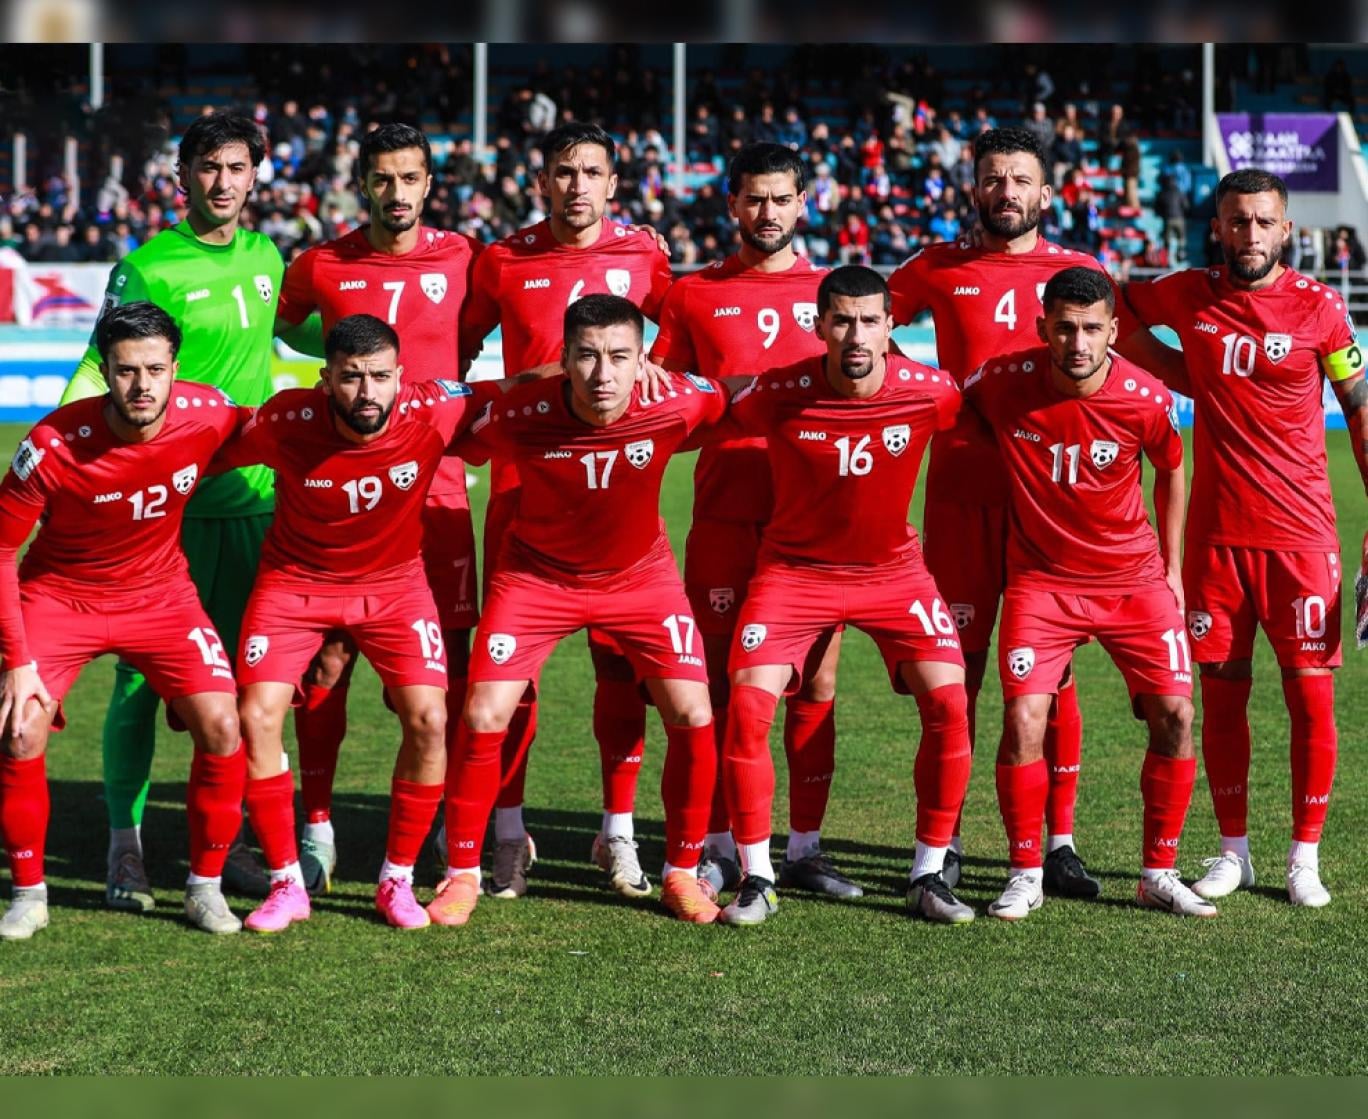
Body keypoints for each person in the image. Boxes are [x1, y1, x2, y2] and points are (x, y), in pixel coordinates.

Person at [440, 294, 727, 928]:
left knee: (692, 708)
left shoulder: (674, 400)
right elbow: (458, 429)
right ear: (563, 359)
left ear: (642, 360)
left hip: (639, 579)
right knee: (485, 710)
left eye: (620, 357)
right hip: (535, 578)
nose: (603, 375)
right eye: (588, 357)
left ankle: (681, 871)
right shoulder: (520, 413)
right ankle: (461, 872)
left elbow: (729, 393)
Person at [1123, 168, 1368, 908]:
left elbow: (1358, 412)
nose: (1251, 235)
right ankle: (1234, 851)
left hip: (1302, 538)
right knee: (1221, 700)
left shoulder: (1321, 310)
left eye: (1264, 222)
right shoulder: (1189, 291)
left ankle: (1305, 856)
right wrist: (1182, 371)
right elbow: (1119, 310)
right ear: (1219, 227)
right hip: (1216, 540)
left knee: (1312, 702)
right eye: (1238, 221)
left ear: (1286, 229)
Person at [211, 315, 505, 932]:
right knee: (255, 715)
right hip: (294, 586)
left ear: (402, 376)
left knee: (429, 719)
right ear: (326, 380)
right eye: (350, 378)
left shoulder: (434, 409)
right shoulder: (286, 420)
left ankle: (395, 879)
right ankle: (287, 882)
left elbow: (517, 391)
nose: (366, 392)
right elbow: (201, 449)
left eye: (379, 377)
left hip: (396, 588)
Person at [703, 265, 973, 927]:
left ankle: (928, 872)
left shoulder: (931, 392)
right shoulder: (779, 393)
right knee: (746, 706)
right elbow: (710, 409)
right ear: (818, 326)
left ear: (891, 328)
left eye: (869, 321)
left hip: (894, 574)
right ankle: (758, 875)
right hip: (794, 574)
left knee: (948, 700)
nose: (856, 334)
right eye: (842, 320)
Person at [59, 110, 281, 910]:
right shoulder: (147, 265)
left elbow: (286, 346)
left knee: (246, 690)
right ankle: (125, 846)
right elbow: (96, 364)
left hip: (254, 508)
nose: (223, 182)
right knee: (137, 686)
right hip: (166, 516)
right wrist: (65, 452)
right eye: (209, 168)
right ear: (182, 176)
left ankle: (223, 846)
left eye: (236, 167)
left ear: (255, 176)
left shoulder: (268, 257)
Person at [885, 128, 1109, 897]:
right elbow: (863, 318)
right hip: (960, 497)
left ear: (1046, 193)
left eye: (1020, 179)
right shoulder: (937, 268)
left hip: (1054, 505)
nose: (1006, 191)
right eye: (993, 179)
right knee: (957, 674)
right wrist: (930, 389)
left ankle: (1060, 843)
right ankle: (940, 842)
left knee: (1059, 675)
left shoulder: (1080, 276)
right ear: (973, 189)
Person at [458, 122, 674, 901]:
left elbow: (681, 339)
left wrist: (655, 367)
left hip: (617, 485)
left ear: (614, 184)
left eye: (592, 171)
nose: (577, 185)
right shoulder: (503, 258)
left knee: (622, 665)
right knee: (513, 675)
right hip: (526, 485)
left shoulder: (646, 256)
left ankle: (616, 832)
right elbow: (453, 356)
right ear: (541, 180)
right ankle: (509, 835)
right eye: (563, 172)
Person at [272, 122, 483, 895]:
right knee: (328, 660)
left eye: (411, 178)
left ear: (431, 183)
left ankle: (431, 832)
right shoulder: (321, 263)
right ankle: (318, 827)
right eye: (383, 179)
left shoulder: (466, 257)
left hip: (438, 495)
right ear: (362, 181)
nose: (398, 193)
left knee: (440, 675)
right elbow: (287, 324)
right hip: (343, 490)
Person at [966, 267, 1211, 920]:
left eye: (1092, 328)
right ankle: (1024, 871)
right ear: (1043, 326)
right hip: (1041, 584)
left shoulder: (1145, 397)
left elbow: (1171, 467)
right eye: (1065, 327)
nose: (1078, 342)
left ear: (1114, 330)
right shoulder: (1000, 383)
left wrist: (1172, 567)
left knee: (1178, 716)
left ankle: (1157, 870)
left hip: (1133, 582)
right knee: (1023, 721)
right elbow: (938, 402)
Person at [0, 303, 251, 939]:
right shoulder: (52, 444)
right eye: (125, 371)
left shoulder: (210, 414)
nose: (141, 386)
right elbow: (2, 548)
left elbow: (278, 433)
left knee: (224, 723)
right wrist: (15, 662)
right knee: (19, 730)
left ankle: (205, 889)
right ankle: (29, 893)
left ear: (175, 368)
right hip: (60, 597)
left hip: (161, 596)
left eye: (154, 369)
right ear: (104, 371)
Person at [650, 142, 852, 901]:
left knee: (817, 680)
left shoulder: (835, 293)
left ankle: (804, 846)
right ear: (731, 204)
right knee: (719, 683)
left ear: (804, 203)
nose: (767, 213)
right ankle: (718, 844)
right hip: (726, 517)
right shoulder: (693, 294)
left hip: (814, 523)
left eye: (781, 199)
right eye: (753, 199)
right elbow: (665, 401)